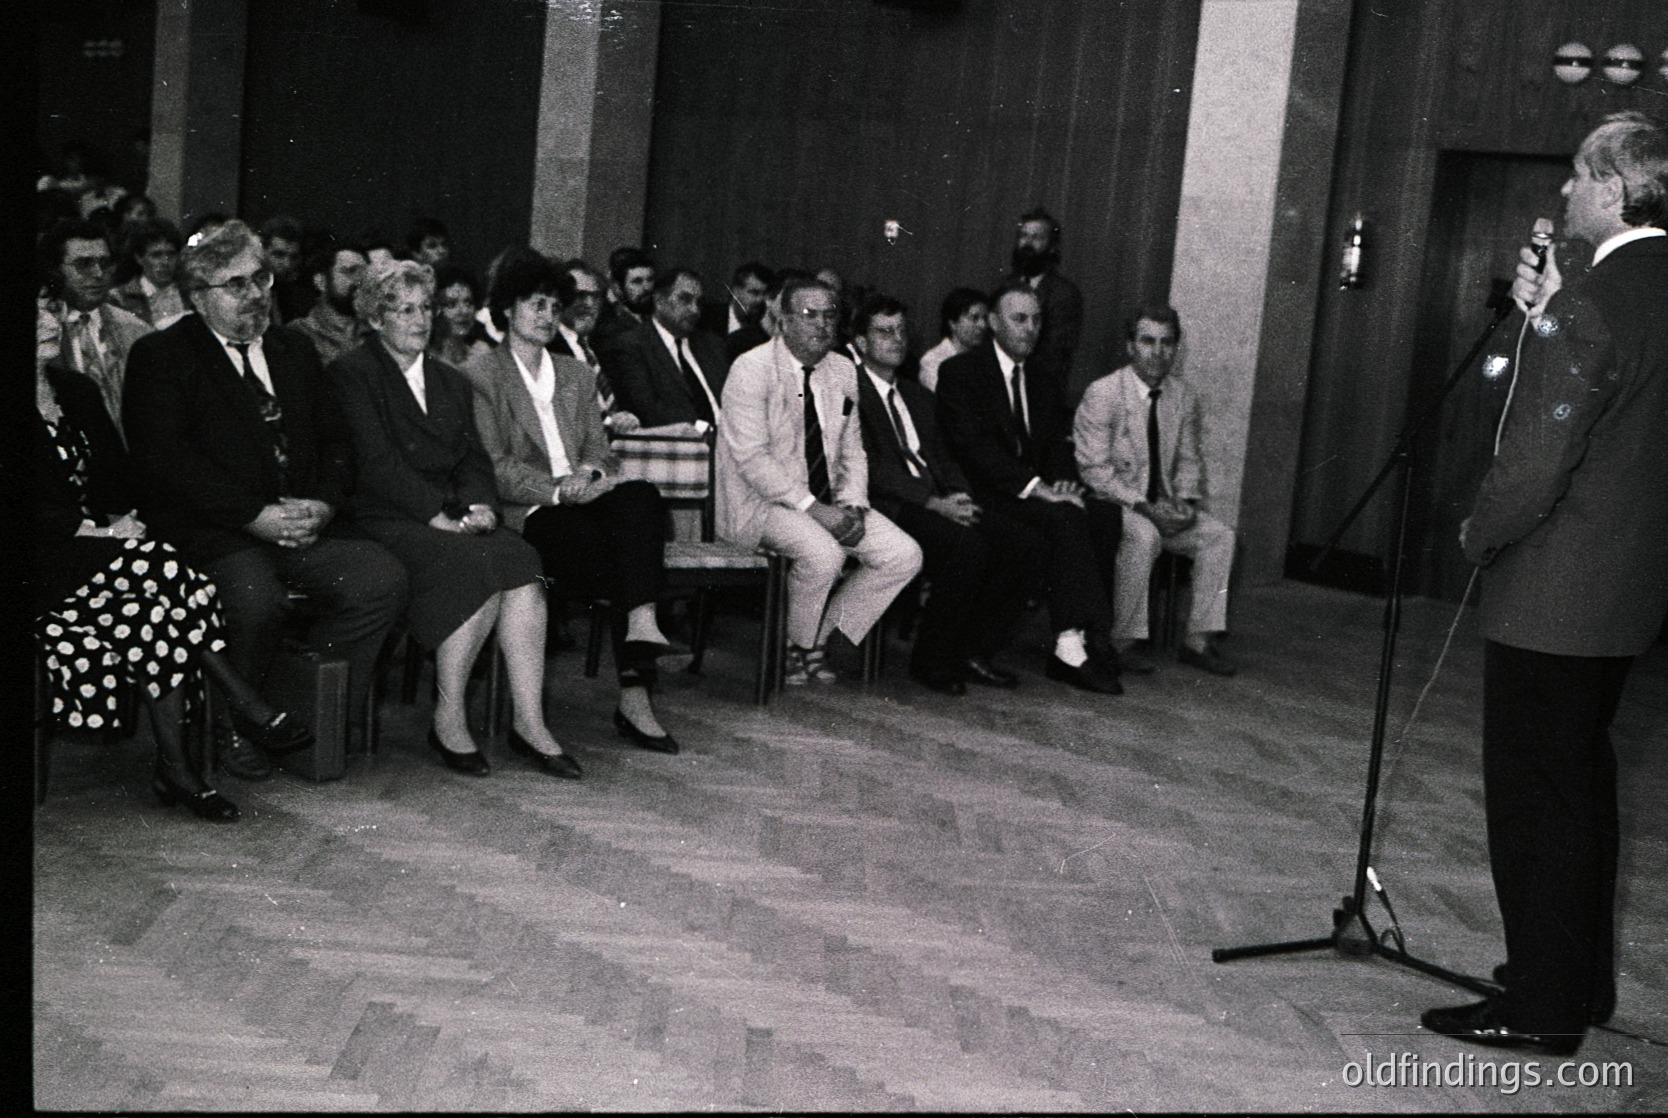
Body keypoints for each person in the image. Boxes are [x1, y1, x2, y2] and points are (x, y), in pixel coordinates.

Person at [1422, 111, 1668, 1057]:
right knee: (1582, 789)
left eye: (1575, 176)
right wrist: (1538, 322)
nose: (1564, 191)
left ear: (1612, 185)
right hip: (1626, 592)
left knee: (1535, 799)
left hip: (1556, 593)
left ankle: (1540, 1006)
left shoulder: (1601, 298)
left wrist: (1478, 534)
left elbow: (1536, 459)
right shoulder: (1649, 288)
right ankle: (1578, 982)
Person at [122, 220, 408, 783]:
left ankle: (309, 714)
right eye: (237, 285)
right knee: (255, 599)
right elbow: (167, 465)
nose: (256, 295)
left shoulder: (291, 348)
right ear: (197, 297)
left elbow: (336, 443)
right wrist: (254, 516)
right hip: (215, 530)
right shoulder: (162, 355)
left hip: (300, 521)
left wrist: (323, 506)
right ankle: (231, 722)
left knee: (380, 579)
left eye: (262, 279)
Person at [35, 286, 313, 822]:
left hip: (105, 559)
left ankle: (181, 766)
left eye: (47, 308)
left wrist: (118, 519)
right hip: (35, 564)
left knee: (153, 603)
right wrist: (92, 528)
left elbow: (119, 476)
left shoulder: (76, 390)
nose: (47, 321)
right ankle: (236, 706)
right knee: (157, 570)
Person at [330, 259, 578, 779]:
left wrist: (480, 503)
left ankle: (530, 722)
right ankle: (449, 715)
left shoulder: (450, 380)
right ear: (376, 318)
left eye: (425, 308)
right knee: (474, 567)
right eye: (404, 310)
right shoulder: (352, 373)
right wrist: (438, 515)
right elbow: (376, 467)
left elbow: (473, 461)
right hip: (382, 516)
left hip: (451, 512)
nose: (420, 320)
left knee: (521, 560)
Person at [464, 254, 682, 753]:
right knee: (627, 555)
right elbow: (495, 466)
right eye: (534, 303)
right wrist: (562, 489)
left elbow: (600, 448)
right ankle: (635, 691)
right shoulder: (480, 375)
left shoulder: (577, 374)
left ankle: (642, 621)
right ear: (507, 309)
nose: (546, 314)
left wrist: (592, 473)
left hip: (588, 498)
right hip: (535, 512)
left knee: (642, 496)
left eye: (553, 305)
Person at [716, 277, 923, 685]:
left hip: (827, 502)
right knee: (824, 552)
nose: (822, 325)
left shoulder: (842, 370)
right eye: (809, 315)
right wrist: (817, 510)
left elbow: (853, 450)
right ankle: (796, 647)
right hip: (757, 505)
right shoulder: (752, 368)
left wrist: (854, 503)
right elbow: (752, 460)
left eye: (830, 315)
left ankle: (814, 641)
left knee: (903, 554)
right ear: (783, 320)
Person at [936, 283, 1125, 694]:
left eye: (1037, 319)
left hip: (1032, 491)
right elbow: (974, 450)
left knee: (1105, 514)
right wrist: (1038, 488)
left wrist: (1061, 481)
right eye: (1020, 319)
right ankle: (1070, 646)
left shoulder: (1042, 377)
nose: (1031, 328)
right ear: (993, 322)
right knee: (1064, 517)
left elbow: (1055, 442)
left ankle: (1087, 635)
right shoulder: (961, 372)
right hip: (986, 490)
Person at [852, 294, 1034, 694]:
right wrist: (933, 503)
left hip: (939, 498)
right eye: (884, 331)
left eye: (901, 330)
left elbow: (945, 457)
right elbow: (871, 468)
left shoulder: (918, 396)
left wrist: (961, 496)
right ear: (861, 343)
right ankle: (932, 660)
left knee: (1020, 542)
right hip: (893, 505)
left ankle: (972, 650)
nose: (897, 339)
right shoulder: (849, 392)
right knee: (965, 548)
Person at [1074, 305, 1238, 676]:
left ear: (1176, 349)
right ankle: (1121, 642)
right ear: (1130, 346)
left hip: (1162, 504)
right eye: (1147, 341)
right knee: (1144, 537)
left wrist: (1185, 504)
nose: (1157, 352)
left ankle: (1198, 641)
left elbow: (1188, 460)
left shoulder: (1182, 396)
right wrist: (1145, 508)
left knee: (1221, 537)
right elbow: (1094, 471)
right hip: (1113, 503)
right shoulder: (1103, 393)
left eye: (1167, 343)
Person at [39, 218, 153, 434]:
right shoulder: (42, 335)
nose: (99, 274)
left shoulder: (135, 330)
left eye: (105, 263)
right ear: (55, 269)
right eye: (84, 264)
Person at [603, 267, 728, 429]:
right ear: (659, 300)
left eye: (699, 302)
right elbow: (649, 411)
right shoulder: (632, 346)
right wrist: (706, 432)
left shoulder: (712, 345)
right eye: (685, 299)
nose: (695, 310)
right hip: (680, 444)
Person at [551, 259, 639, 433]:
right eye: (581, 295)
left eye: (596, 296)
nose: (590, 304)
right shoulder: (550, 345)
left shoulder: (600, 348)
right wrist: (610, 422)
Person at [1004, 207, 1083, 395]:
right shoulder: (1004, 286)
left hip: (1039, 391)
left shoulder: (1064, 294)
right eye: (1023, 236)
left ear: (1052, 246)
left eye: (1037, 237)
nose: (1027, 243)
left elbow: (1053, 356)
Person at [286, 241, 373, 366]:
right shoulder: (299, 334)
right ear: (321, 282)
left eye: (364, 274)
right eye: (350, 271)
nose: (359, 281)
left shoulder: (376, 332)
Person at [107, 218, 190, 329]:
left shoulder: (189, 294)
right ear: (139, 258)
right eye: (156, 255)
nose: (165, 262)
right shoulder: (120, 298)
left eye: (171, 254)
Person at [917, 287, 989, 392]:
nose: (983, 325)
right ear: (952, 323)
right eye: (974, 318)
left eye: (985, 318)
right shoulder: (933, 361)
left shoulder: (984, 358)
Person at [592, 246, 657, 354]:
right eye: (637, 281)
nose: (647, 288)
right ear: (616, 285)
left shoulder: (652, 308)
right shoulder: (598, 314)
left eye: (650, 279)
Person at [428, 263, 495, 368]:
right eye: (451, 304)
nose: (464, 311)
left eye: (468, 303)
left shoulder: (482, 355)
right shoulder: (425, 361)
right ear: (433, 309)